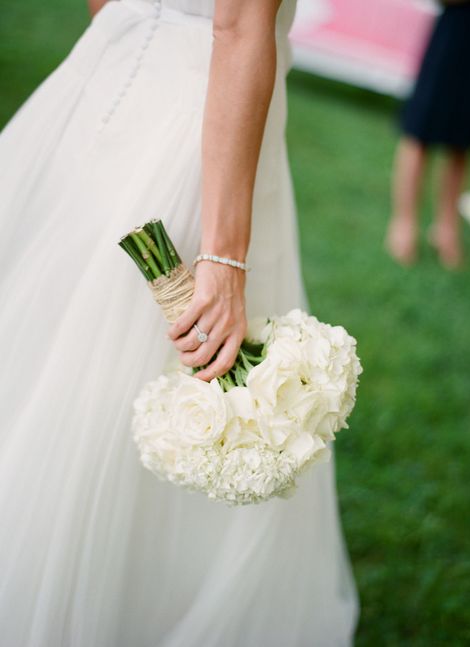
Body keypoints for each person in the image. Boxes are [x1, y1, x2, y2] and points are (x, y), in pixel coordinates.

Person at [0, 1, 358, 645]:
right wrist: (223, 258)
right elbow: (241, 22)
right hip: (198, 114)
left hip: (105, 75)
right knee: (119, 368)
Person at [386, 0, 470, 269]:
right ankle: (403, 224)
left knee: (463, 138)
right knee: (420, 129)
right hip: (456, 26)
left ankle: (446, 230)